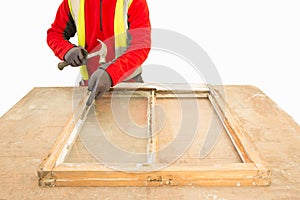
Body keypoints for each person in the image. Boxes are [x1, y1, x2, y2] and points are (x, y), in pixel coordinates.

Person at [47, 0, 151, 102]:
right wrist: (67, 50)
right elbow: (55, 34)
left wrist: (112, 73)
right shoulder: (73, 2)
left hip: (129, 88)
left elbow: (141, 46)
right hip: (90, 88)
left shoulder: (133, 1)